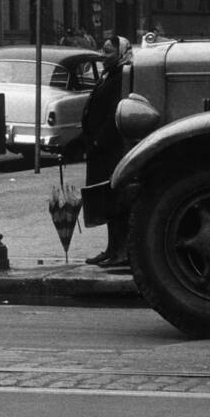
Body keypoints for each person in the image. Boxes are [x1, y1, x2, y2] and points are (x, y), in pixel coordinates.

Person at [81, 34, 133, 268]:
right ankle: (112, 249)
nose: (103, 56)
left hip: (111, 150)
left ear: (120, 53)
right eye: (102, 50)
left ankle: (122, 251)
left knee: (116, 200)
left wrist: (99, 141)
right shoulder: (109, 75)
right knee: (105, 201)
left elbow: (115, 113)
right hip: (99, 150)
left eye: (109, 51)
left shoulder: (122, 77)